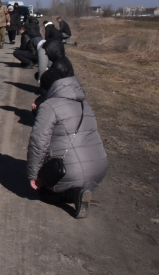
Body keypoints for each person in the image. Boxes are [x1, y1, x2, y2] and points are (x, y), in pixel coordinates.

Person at [27, 40, 108, 219]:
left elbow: (38, 141)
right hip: (99, 168)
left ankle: (75, 194)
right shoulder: (85, 103)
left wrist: (34, 175)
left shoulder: (50, 105)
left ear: (49, 90)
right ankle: (82, 188)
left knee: (44, 193)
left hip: (72, 172)